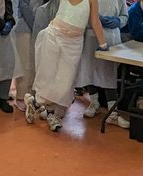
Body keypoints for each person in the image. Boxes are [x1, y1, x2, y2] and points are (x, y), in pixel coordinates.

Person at [22, 0, 105, 131]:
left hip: (74, 44)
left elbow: (95, 21)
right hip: (54, 36)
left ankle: (35, 103)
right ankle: (51, 115)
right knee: (49, 79)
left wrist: (103, 44)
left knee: (65, 84)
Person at [73, 0, 124, 123]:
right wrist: (95, 18)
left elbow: (125, 16)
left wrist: (118, 21)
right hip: (92, 36)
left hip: (112, 37)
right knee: (90, 71)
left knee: (109, 74)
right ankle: (94, 102)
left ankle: (112, 110)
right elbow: (82, 13)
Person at [11, 0, 43, 112]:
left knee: (35, 64)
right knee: (25, 64)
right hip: (25, 28)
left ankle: (33, 96)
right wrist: (35, 26)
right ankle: (20, 97)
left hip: (41, 29)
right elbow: (24, 7)